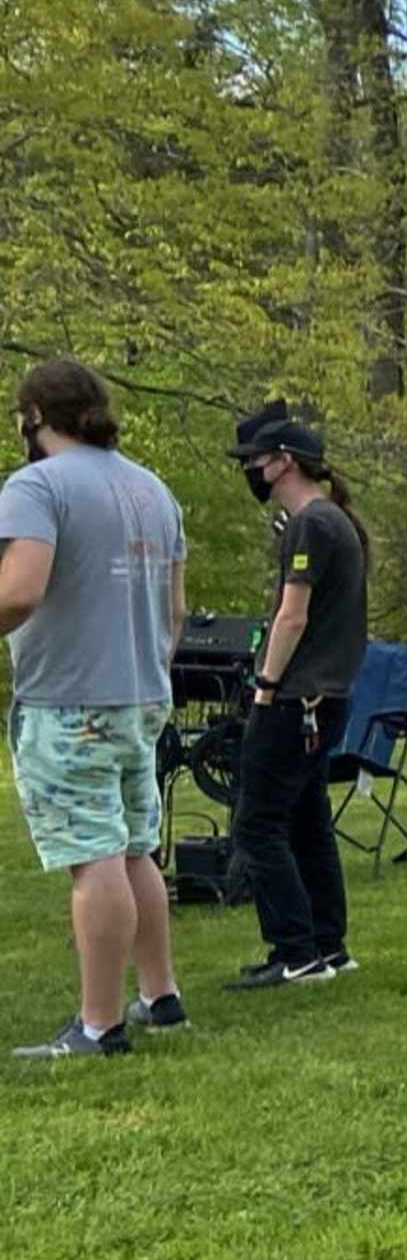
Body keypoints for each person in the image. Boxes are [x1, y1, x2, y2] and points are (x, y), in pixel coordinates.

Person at [2, 358, 190, 1061]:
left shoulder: (36, 486)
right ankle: (160, 995)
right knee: (136, 843)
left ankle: (98, 1023)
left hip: (68, 698)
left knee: (95, 855)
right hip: (142, 694)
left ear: (33, 418)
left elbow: (20, 590)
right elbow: (173, 610)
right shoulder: (153, 490)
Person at [223, 405, 369, 991]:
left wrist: (265, 688)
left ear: (284, 462)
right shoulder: (338, 521)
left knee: (256, 824)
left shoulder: (310, 524)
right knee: (307, 821)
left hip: (297, 699)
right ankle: (327, 945)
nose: (252, 471)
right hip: (329, 697)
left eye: (256, 461)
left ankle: (294, 949)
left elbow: (292, 615)